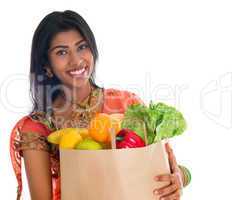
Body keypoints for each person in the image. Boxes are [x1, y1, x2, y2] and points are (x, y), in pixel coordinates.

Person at [10, 10, 191, 200]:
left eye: (81, 47)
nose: (76, 60)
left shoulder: (127, 104)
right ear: (46, 65)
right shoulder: (38, 127)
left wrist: (179, 178)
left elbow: (170, 169)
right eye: (62, 52)